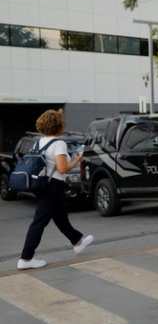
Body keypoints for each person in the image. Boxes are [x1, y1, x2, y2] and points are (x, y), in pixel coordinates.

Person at [18, 110, 93, 270]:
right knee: (39, 222)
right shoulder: (59, 144)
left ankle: (77, 243)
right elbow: (62, 168)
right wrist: (76, 160)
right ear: (58, 125)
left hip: (43, 184)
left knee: (60, 217)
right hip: (53, 185)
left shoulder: (39, 142)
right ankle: (25, 258)